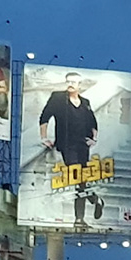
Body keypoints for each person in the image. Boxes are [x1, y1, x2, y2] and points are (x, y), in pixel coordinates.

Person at [37, 74, 104, 227]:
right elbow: (45, 116)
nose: (70, 84)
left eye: (73, 82)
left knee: (80, 182)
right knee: (76, 177)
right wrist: (43, 137)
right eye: (68, 81)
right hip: (66, 144)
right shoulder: (58, 98)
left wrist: (93, 138)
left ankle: (79, 219)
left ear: (80, 84)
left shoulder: (85, 102)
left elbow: (93, 122)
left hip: (82, 145)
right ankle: (95, 200)